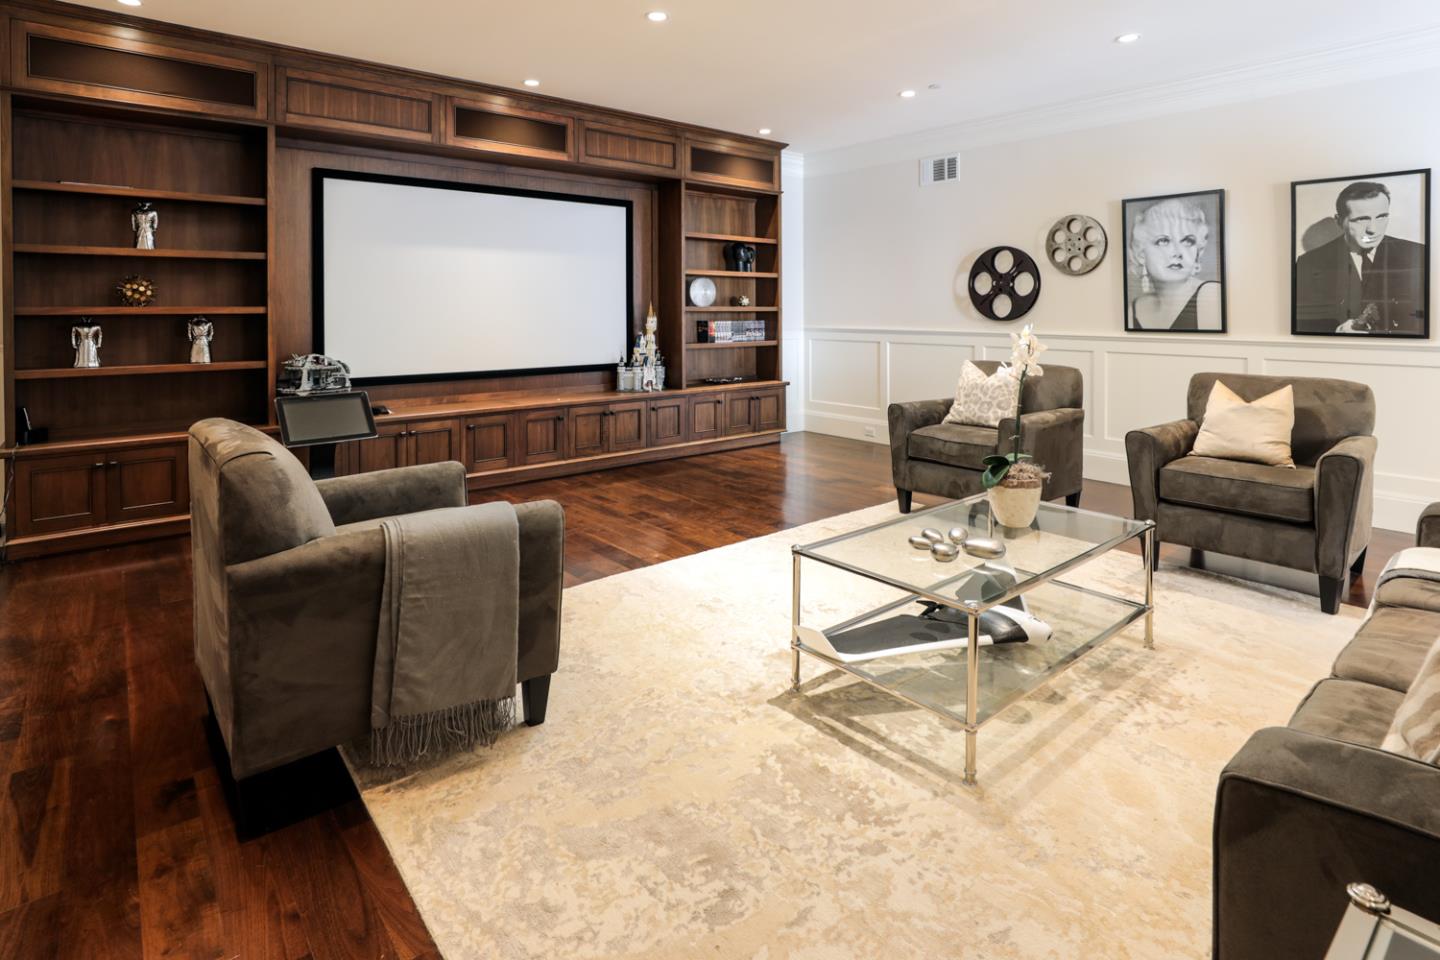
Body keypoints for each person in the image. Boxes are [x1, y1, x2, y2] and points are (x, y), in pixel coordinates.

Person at [1294, 180, 1425, 335]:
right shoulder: (1309, 263)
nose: (1373, 229)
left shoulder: (1418, 253)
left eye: (1381, 217)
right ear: (1339, 221)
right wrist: (1334, 331)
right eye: (1362, 219)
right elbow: (1301, 322)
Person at [1127, 198, 1222, 331]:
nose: (1178, 252)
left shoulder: (1211, 295)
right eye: (1163, 241)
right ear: (1141, 254)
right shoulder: (1135, 309)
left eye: (1188, 241)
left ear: (1197, 252)